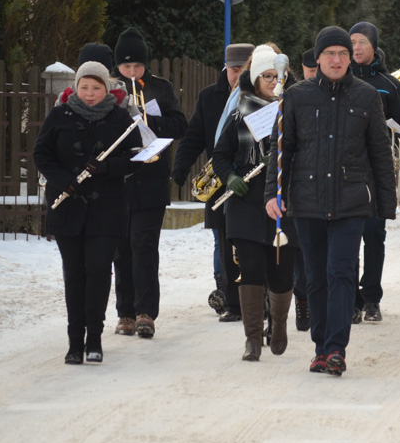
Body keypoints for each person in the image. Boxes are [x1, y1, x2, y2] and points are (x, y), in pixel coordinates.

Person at [264, 26, 396, 376]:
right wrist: (272, 194)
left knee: (341, 272)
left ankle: (336, 348)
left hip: (350, 201)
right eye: (329, 54)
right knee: (315, 277)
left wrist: (386, 203)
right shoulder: (296, 96)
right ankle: (321, 346)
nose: (336, 60)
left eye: (342, 53)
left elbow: (380, 154)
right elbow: (281, 151)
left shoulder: (367, 96)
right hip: (306, 202)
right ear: (318, 59)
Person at [34, 62, 142, 364]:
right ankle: (74, 342)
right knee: (75, 274)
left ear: (106, 88)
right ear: (76, 88)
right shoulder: (59, 115)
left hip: (106, 210)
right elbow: (41, 154)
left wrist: (107, 167)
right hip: (67, 205)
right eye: (85, 87)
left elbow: (136, 158)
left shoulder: (120, 118)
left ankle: (94, 338)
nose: (90, 94)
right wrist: (63, 179)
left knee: (97, 270)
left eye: (96, 88)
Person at [212, 44, 298, 361]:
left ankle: (277, 325)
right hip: (246, 204)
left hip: (281, 203)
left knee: (280, 273)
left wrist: (281, 158)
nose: (273, 82)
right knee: (249, 269)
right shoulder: (239, 115)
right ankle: (252, 339)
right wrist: (231, 177)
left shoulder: (294, 113)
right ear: (254, 78)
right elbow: (220, 157)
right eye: (267, 76)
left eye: (278, 76)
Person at [111, 27, 188, 339]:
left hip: (152, 180)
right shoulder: (110, 89)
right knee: (121, 250)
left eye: (137, 66)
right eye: (126, 67)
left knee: (144, 246)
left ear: (146, 65)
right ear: (117, 66)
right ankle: (125, 313)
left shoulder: (160, 88)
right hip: (119, 181)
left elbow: (179, 125)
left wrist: (147, 120)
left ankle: (146, 313)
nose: (132, 72)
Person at [172, 43, 253, 322]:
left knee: (252, 243)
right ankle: (231, 300)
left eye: (244, 69)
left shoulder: (261, 96)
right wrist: (180, 167)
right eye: (234, 70)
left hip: (254, 181)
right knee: (223, 239)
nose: (238, 75)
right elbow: (194, 136)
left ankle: (258, 299)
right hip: (220, 180)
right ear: (226, 69)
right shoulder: (210, 97)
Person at [349, 21, 400, 324]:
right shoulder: (340, 78)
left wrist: (389, 129)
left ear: (374, 46)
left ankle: (371, 297)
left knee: (374, 235)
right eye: (353, 42)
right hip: (347, 169)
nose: (356, 47)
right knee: (348, 235)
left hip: (376, 169)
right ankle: (351, 300)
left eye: (361, 42)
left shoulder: (389, 84)